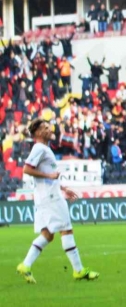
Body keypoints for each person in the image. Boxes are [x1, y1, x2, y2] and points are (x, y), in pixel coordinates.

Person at [16, 119, 100, 284]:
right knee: (66, 230)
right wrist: (50, 177)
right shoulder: (39, 148)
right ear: (38, 133)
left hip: (44, 196)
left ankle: (25, 265)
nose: (49, 129)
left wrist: (61, 187)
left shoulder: (44, 148)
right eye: (45, 127)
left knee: (47, 235)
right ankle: (78, 270)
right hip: (51, 198)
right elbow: (26, 169)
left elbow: (44, 171)